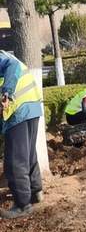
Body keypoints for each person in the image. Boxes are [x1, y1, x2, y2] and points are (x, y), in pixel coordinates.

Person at [0, 50, 44, 219]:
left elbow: (13, 66)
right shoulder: (5, 54)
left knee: (14, 160)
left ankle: (22, 204)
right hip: (31, 106)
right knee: (28, 155)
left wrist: (7, 92)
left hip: (17, 109)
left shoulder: (4, 59)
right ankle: (35, 193)